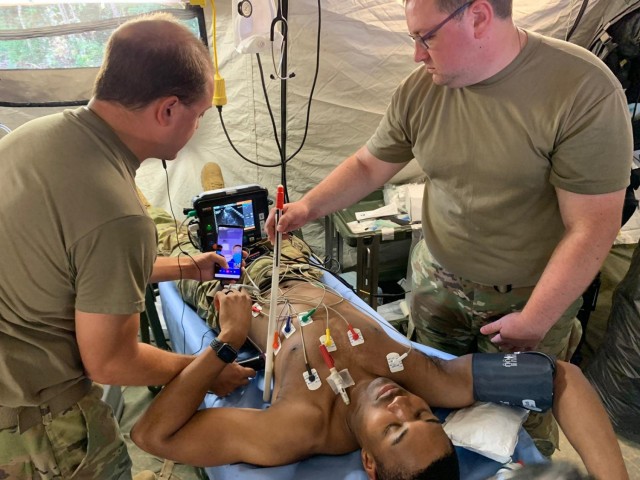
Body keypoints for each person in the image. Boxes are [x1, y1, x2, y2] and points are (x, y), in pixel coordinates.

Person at [265, 0, 633, 455]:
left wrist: (536, 317)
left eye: (426, 37)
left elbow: (593, 226)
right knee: (428, 399)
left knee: (518, 417)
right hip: (437, 281)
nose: (417, 54)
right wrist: (306, 208)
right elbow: (368, 165)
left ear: (477, 16)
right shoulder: (422, 90)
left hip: (529, 296)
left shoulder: (580, 89)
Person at [130, 215, 629, 479]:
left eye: (394, 429)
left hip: (234, 278)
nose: (404, 404)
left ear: (368, 462)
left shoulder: (295, 428)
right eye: (425, 418)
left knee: (155, 229)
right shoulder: (426, 379)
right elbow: (561, 377)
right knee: (245, 209)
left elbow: (152, 436)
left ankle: (159, 216)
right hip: (301, 262)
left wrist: (228, 341)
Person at [0, 14, 254, 479]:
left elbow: (67, 261)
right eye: (198, 115)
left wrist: (183, 267)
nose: (196, 127)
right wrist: (207, 365)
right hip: (38, 427)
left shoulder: (30, 139)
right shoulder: (117, 213)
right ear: (168, 110)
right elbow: (111, 360)